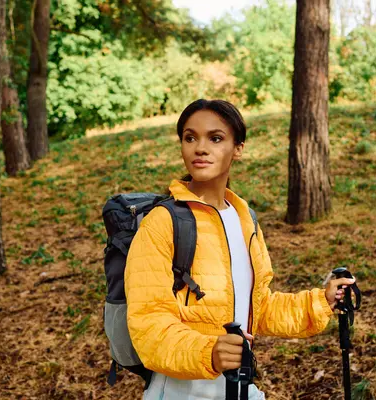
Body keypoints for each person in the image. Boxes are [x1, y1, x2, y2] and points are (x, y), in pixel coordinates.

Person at [124, 99, 355, 400]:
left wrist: (320, 301)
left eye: (216, 138)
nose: (200, 148)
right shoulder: (162, 223)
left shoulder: (244, 219)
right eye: (190, 137)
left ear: (238, 148)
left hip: (239, 389)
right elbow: (148, 326)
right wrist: (210, 352)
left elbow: (258, 308)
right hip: (181, 393)